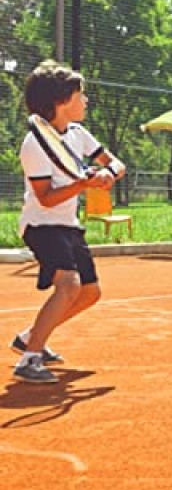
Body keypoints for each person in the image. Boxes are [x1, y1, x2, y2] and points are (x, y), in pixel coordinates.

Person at [12, 61, 125, 383]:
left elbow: (115, 162)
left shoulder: (78, 133)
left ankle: (29, 338)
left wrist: (108, 173)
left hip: (68, 225)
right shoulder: (34, 145)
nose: (86, 100)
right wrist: (84, 184)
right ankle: (30, 359)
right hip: (41, 225)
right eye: (81, 94)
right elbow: (46, 198)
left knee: (90, 293)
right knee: (69, 285)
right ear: (62, 100)